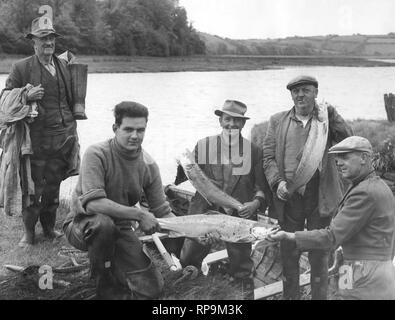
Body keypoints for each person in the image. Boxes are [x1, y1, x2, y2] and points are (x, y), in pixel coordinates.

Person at [63, 101, 176, 300]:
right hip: (83, 225)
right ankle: (103, 283)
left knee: (152, 291)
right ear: (115, 128)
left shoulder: (148, 164)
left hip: (122, 228)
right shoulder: (96, 153)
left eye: (140, 130)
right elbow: (93, 204)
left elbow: (162, 211)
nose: (135, 136)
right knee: (103, 225)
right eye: (128, 129)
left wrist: (194, 232)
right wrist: (139, 214)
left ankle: (114, 268)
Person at [269, 136, 395, 300]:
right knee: (342, 295)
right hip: (357, 267)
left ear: (364, 158)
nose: (338, 162)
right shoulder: (374, 186)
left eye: (345, 156)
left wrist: (289, 235)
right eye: (337, 157)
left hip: (365, 273)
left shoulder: (365, 192)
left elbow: (331, 237)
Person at [262, 75, 353, 299]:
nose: (300, 95)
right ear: (291, 95)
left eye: (306, 90)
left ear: (315, 93)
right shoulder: (276, 121)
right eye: (296, 91)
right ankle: (290, 296)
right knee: (288, 253)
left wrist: (333, 115)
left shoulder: (326, 120)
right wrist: (277, 182)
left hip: (319, 195)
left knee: (319, 253)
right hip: (288, 195)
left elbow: (348, 140)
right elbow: (268, 158)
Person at [175, 100, 271, 299]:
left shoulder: (254, 151)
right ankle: (186, 294)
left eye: (237, 121)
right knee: (189, 260)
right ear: (220, 120)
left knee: (242, 267)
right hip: (203, 214)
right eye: (228, 119)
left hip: (238, 220)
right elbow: (184, 178)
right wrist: (181, 166)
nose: (231, 125)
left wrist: (255, 203)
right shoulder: (203, 145)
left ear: (243, 124)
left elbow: (261, 189)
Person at [3, 17, 80, 247]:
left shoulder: (64, 66)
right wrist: (25, 96)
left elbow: (72, 98)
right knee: (31, 189)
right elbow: (5, 99)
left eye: (51, 38)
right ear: (33, 42)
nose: (48, 42)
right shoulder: (21, 67)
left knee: (54, 187)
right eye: (43, 38)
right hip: (34, 141)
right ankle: (28, 233)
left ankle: (48, 229)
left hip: (63, 138)